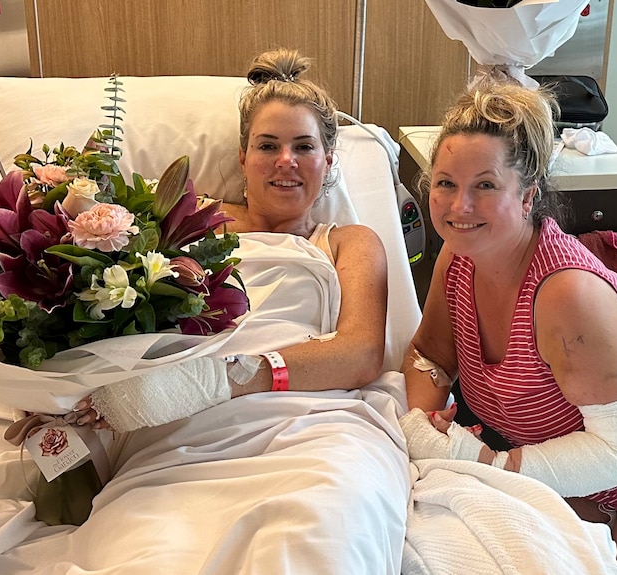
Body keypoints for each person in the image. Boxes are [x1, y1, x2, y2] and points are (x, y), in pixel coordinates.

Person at [70, 47, 389, 431]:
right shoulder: (185, 219)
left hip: (311, 418)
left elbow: (361, 354)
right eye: (268, 146)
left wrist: (222, 380)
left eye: (304, 146)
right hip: (181, 419)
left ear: (329, 159)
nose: (286, 160)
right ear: (243, 158)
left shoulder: (349, 243)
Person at [397, 80, 617, 561]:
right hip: (535, 477)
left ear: (527, 195)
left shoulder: (567, 293)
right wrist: (424, 422)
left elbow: (616, 453)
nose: (460, 207)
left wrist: (486, 462)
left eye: (485, 185)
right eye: (446, 184)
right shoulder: (457, 260)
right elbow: (428, 355)